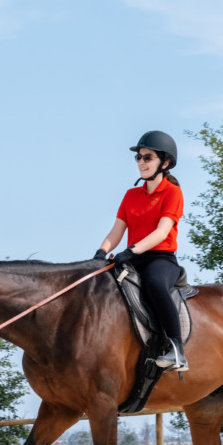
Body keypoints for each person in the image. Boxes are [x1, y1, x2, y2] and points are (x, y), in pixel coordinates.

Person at [93, 130, 189, 372]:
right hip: (133, 258)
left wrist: (132, 250)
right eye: (138, 157)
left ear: (164, 163)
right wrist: (101, 252)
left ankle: (177, 351)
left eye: (148, 157)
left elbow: (162, 232)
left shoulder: (172, 193)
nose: (141, 162)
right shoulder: (130, 195)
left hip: (160, 258)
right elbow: (116, 231)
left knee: (156, 284)